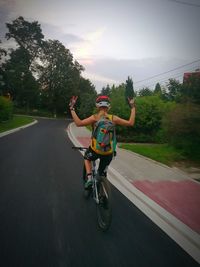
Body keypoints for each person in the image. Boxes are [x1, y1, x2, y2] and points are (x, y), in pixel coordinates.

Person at [69, 95, 136, 188]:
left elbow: (78, 123)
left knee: (87, 158)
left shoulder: (95, 117)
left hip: (95, 150)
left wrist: (72, 108)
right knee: (102, 173)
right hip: (108, 152)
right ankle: (102, 186)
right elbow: (130, 123)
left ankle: (89, 178)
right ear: (109, 106)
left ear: (97, 106)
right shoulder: (113, 118)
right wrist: (132, 107)